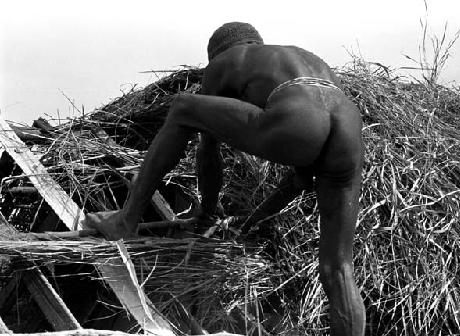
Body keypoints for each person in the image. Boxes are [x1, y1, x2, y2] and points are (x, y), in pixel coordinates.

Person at [84, 22, 365, 335]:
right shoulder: (303, 60)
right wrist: (253, 222)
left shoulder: (226, 61)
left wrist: (207, 212)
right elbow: (300, 179)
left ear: (216, 51)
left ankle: (125, 219)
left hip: (298, 115)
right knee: (339, 268)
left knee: (182, 108)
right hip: (348, 126)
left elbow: (208, 153)